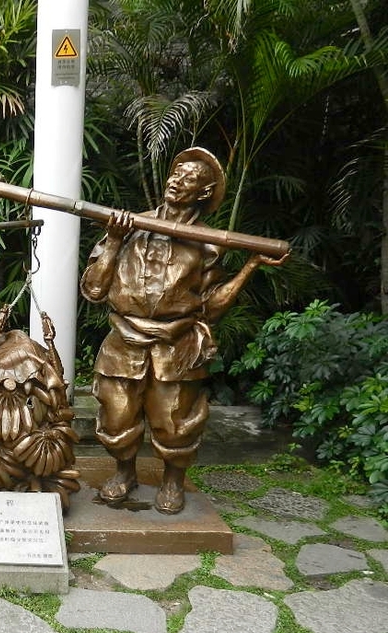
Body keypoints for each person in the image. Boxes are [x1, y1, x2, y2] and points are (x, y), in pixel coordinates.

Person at [80, 147, 288, 514]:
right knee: (117, 414)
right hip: (123, 339)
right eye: (175, 174)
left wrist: (250, 266)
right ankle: (124, 472)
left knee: (175, 419)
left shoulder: (210, 243)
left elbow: (212, 307)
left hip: (175, 343)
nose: (176, 181)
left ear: (204, 193)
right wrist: (113, 240)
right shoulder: (128, 225)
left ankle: (172, 480)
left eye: (188, 178)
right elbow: (94, 290)